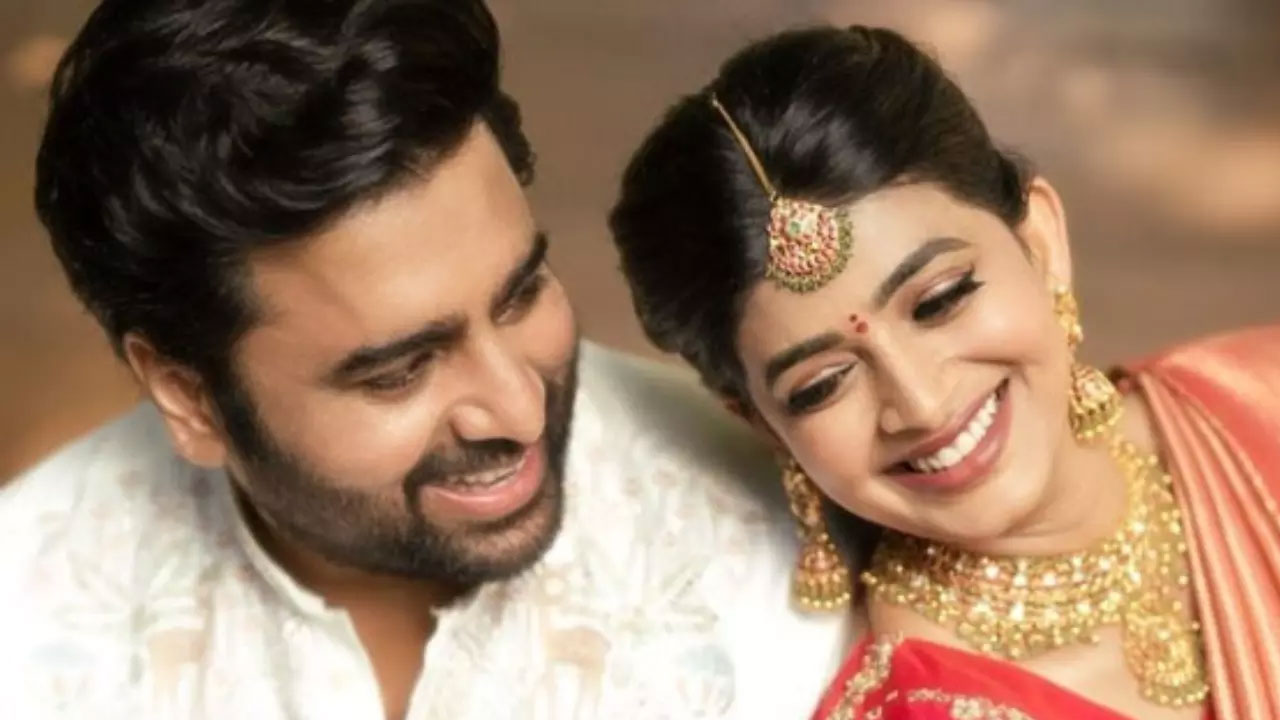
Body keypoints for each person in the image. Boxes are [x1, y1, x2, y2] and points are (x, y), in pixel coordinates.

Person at [0, 1, 852, 717]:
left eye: (521, 295)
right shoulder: (26, 632)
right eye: (400, 371)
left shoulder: (803, 531)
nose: (520, 411)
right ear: (189, 397)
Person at [610, 24, 1280, 720]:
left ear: (1040, 244)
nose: (922, 404)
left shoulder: (1254, 401)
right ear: (765, 425)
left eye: (940, 300)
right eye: (823, 384)